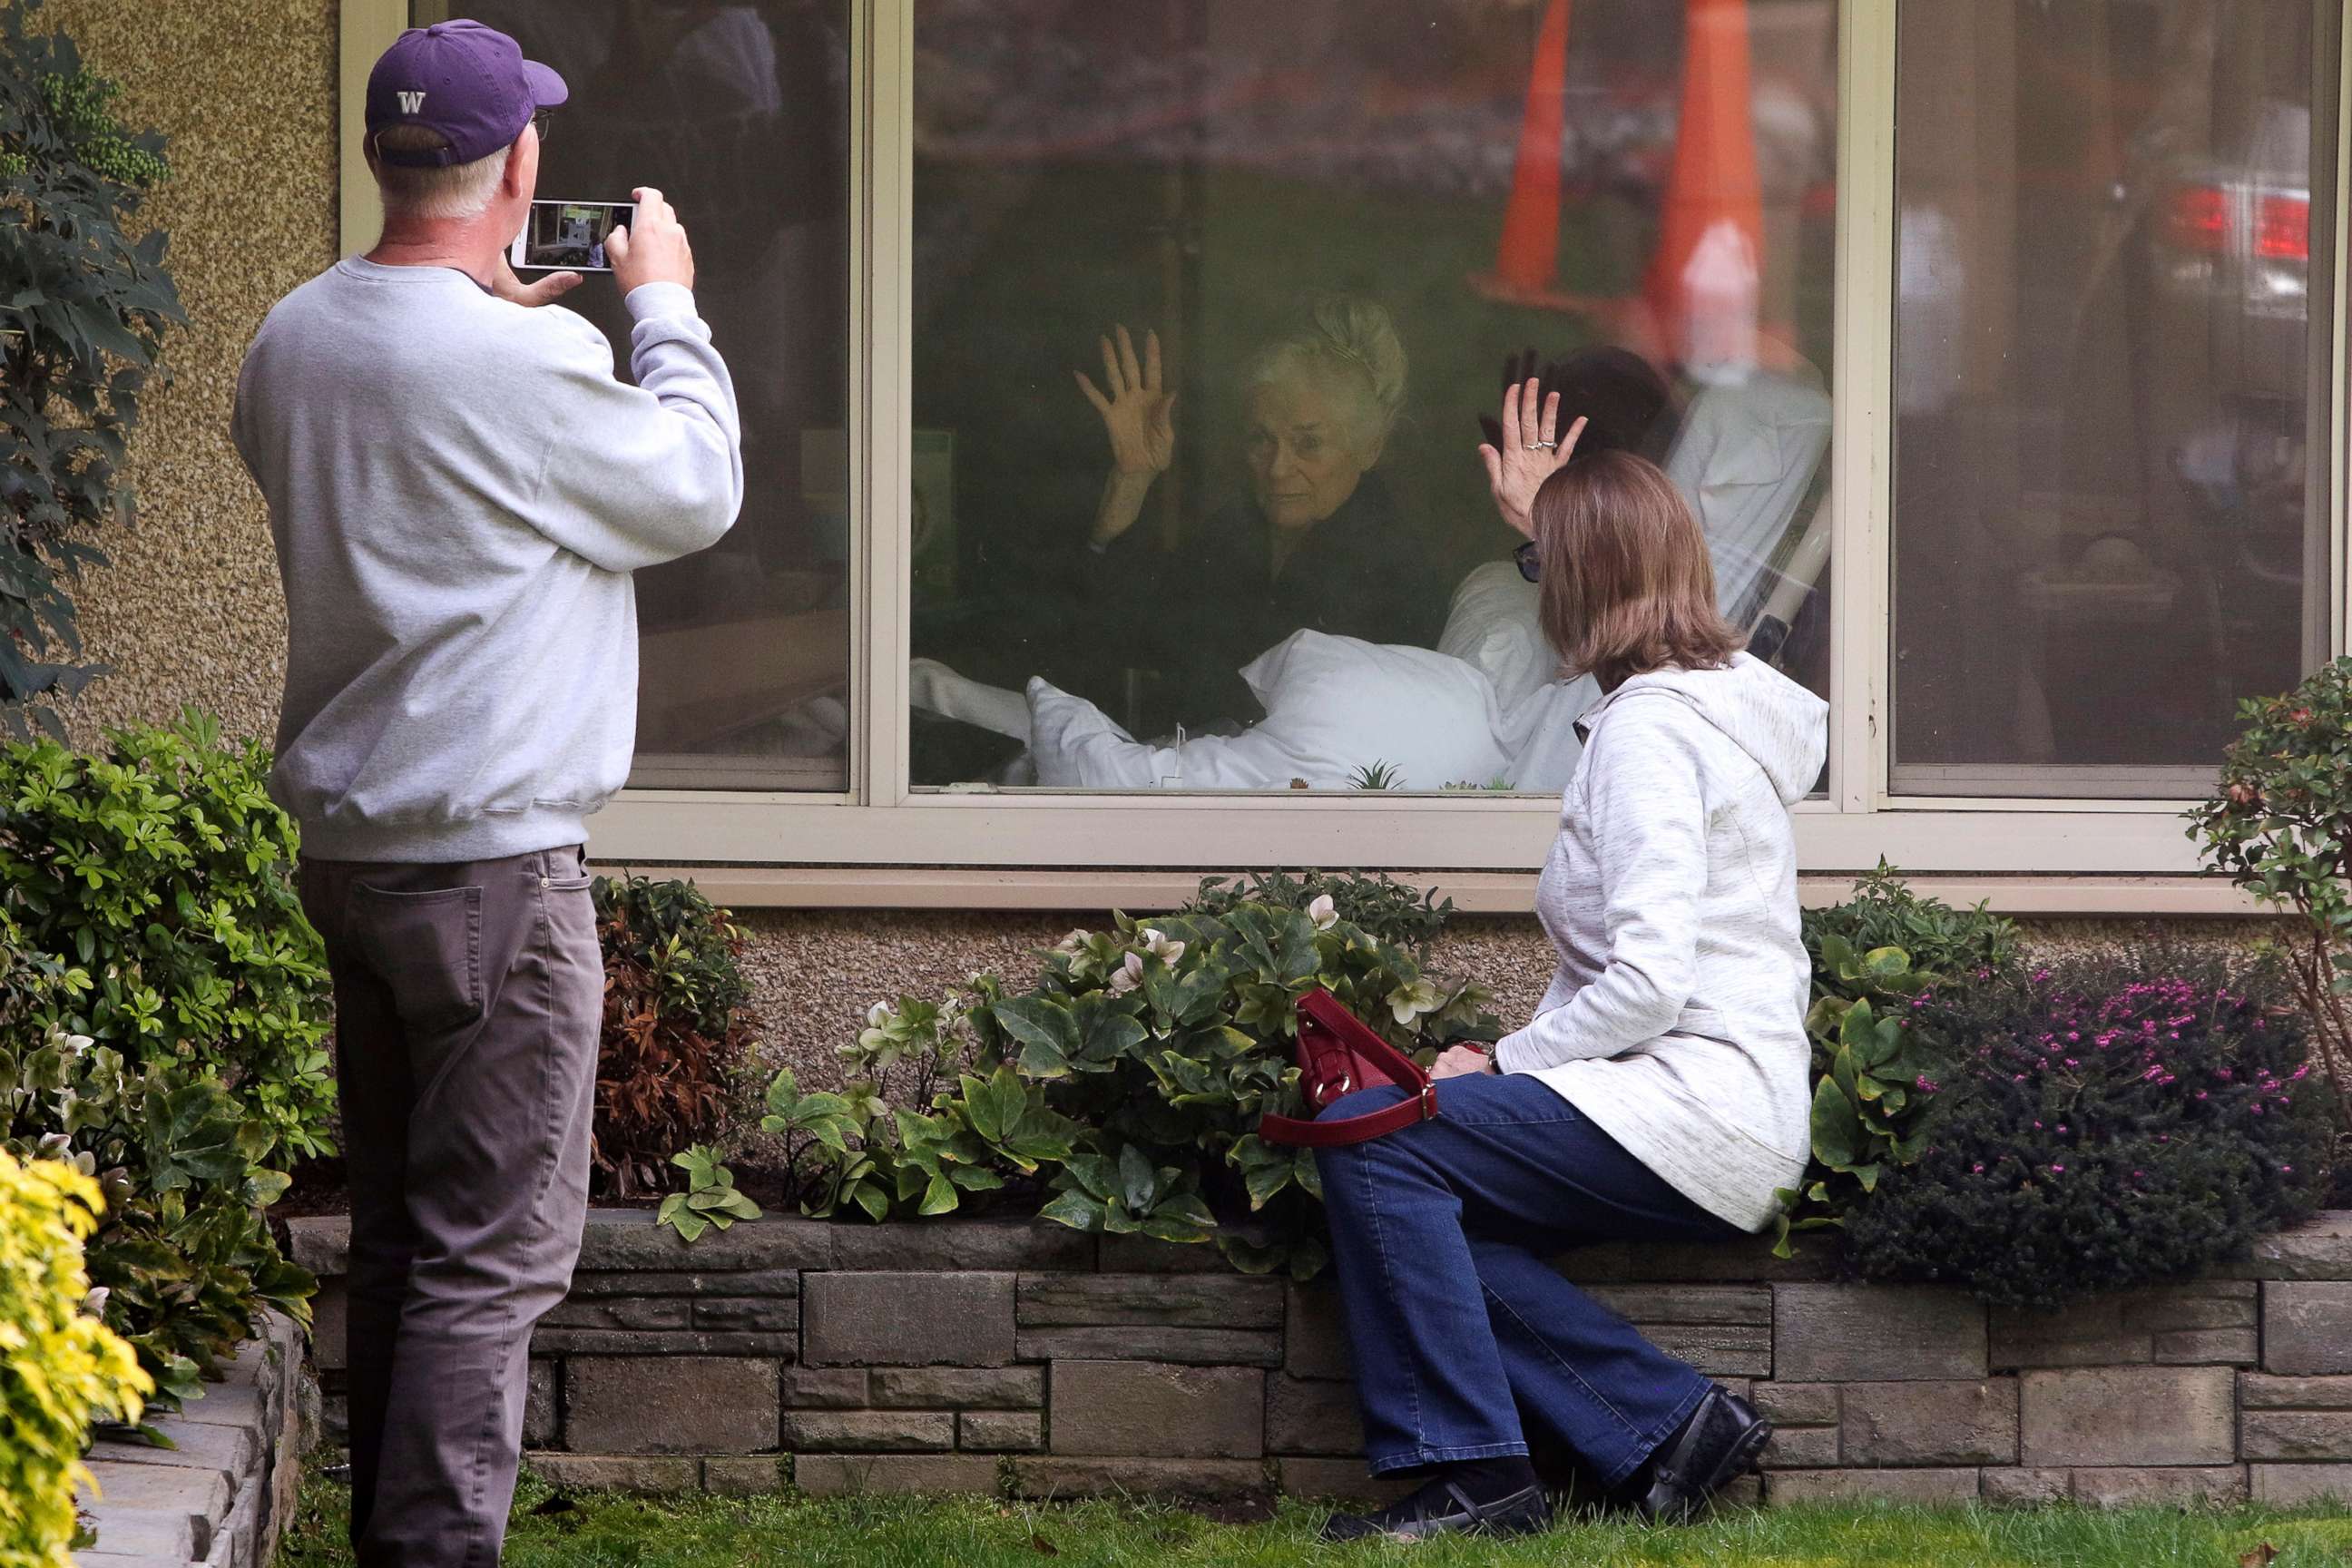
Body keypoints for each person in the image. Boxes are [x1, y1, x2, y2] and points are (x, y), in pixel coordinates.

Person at [230, 20, 742, 1565]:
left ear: (386, 159)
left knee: (402, 1240)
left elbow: (391, 445)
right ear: (520, 165)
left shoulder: (296, 334)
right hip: (494, 877)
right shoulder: (523, 361)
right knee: (492, 1263)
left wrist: (485, 312)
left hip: (355, 855)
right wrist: (665, 311)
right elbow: (695, 486)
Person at [1311, 382, 1827, 1543]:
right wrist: (1555, 518)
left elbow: (1644, 982)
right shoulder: (1702, 703)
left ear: (1581, 589)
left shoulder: (1649, 736)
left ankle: (1477, 1477)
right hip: (1709, 1107)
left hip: (1695, 1109)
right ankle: (1669, 1427)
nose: (1533, 595)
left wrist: (1497, 1061)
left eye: (1546, 572)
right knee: (1428, 1223)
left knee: (1379, 1145)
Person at [1073, 297, 1450, 730]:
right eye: (1260, 439)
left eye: (1308, 444)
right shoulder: (1233, 531)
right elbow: (1125, 636)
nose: (1277, 467)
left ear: (1369, 448)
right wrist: (1131, 482)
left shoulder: (1396, 576)